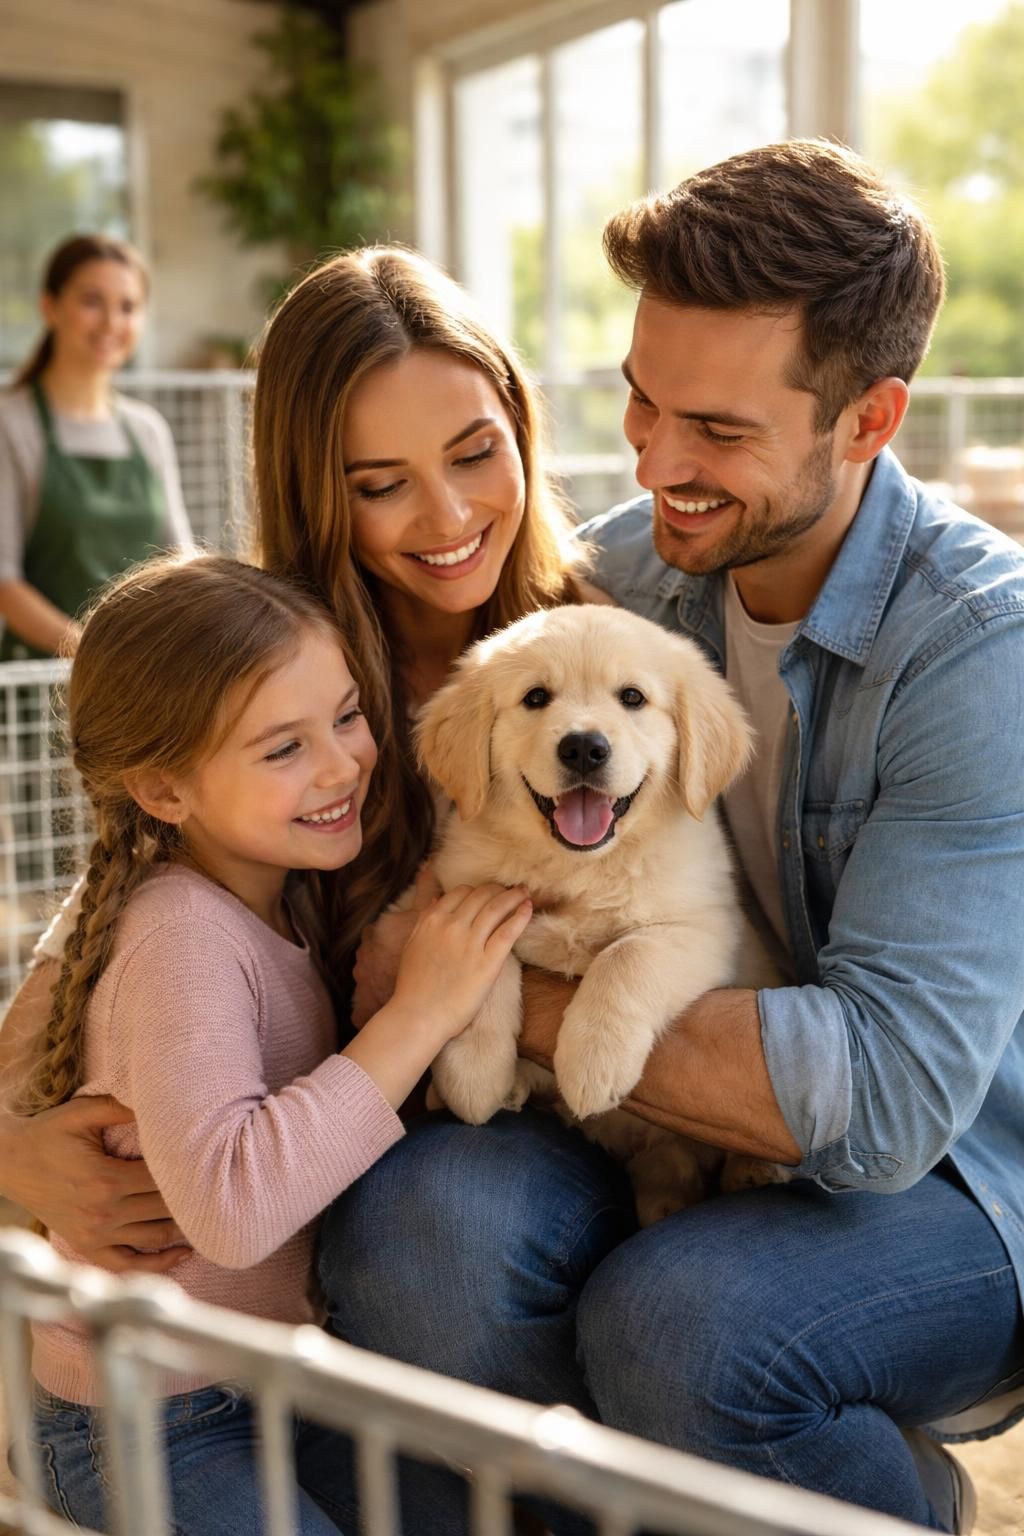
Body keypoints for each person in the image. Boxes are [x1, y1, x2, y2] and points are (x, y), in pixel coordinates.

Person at [312, 141, 1024, 1535]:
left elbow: (880, 1107)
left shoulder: (981, 650)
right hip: (653, 1096)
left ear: (870, 419)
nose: (655, 465)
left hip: (966, 1176)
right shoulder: (630, 578)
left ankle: (889, 1497)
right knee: (418, 1235)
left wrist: (500, 991)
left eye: (718, 430)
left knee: (684, 1322)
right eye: (642, 407)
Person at [0, 243, 583, 1264]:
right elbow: (93, 938)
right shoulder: (284, 667)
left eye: (474, 452)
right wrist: (13, 1156)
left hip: (555, 1106)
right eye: (379, 484)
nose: (447, 516)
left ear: (521, 427)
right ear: (318, 489)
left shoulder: (605, 645)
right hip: (347, 1165)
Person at [12, 550, 531, 1534]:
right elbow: (235, 1211)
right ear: (164, 791)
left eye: (344, 716)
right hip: (147, 1416)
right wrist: (417, 1015)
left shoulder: (258, 896)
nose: (341, 763)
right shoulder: (180, 938)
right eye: (281, 748)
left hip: (275, 1381)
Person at [0, 234, 191, 660]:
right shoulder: (10, 425)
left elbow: (180, 559)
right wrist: (94, 654)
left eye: (128, 307)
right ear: (50, 307)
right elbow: (4, 583)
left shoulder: (148, 430)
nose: (110, 322)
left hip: (143, 680)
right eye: (92, 301)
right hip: (42, 687)